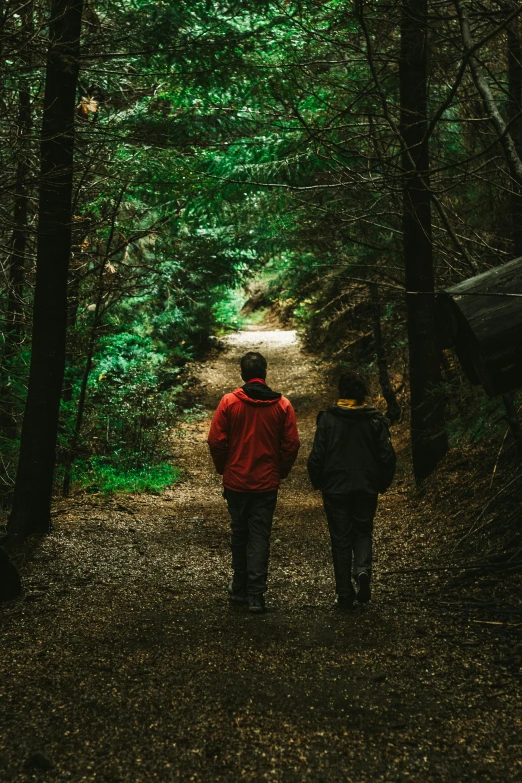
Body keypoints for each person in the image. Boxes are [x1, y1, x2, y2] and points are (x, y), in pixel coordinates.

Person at [207, 351, 300, 613]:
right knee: (259, 536)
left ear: (243, 374)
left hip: (236, 482)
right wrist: (280, 470)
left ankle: (239, 590)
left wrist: (223, 466)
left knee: (239, 534)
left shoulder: (228, 403)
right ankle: (256, 595)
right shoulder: (282, 406)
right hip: (265, 484)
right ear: (265, 373)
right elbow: (291, 443)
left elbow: (215, 440)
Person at [307, 370, 396, 611]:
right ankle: (363, 571)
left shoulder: (328, 418)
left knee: (341, 539)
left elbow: (317, 455)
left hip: (335, 488)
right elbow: (387, 455)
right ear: (363, 393)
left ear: (341, 391)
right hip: (366, 486)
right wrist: (382, 482)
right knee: (363, 531)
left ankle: (345, 594)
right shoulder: (375, 419)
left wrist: (318, 480)